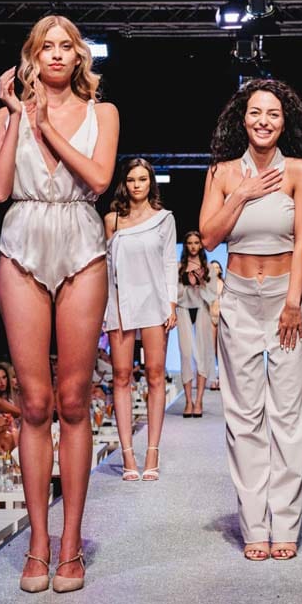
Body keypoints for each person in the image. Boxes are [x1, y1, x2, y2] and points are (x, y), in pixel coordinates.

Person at [0, 14, 119, 592]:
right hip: (22, 242)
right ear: (33, 57)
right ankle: (38, 543)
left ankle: (71, 544)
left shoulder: (103, 114)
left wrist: (46, 126)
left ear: (79, 56)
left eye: (68, 46)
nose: (58, 54)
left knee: (73, 399)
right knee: (35, 403)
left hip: (81, 242)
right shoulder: (7, 115)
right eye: (48, 47)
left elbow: (99, 179)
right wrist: (19, 116)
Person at [199, 77, 302, 561]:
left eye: (273, 113)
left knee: (289, 418)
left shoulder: (298, 170)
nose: (264, 121)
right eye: (256, 112)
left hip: (285, 300)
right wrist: (242, 193)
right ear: (242, 118)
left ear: (284, 120)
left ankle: (286, 524)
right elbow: (209, 237)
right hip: (238, 300)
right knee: (243, 417)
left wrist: (294, 301)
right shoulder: (222, 173)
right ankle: (255, 525)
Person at [104, 157, 177, 481]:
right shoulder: (112, 221)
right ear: (125, 183)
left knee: (155, 375)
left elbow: (169, 262)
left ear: (151, 183)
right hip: (120, 301)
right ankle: (127, 455)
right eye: (131, 179)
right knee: (121, 376)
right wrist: (106, 309)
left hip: (154, 300)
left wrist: (171, 304)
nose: (137, 185)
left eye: (142, 179)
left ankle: (152, 452)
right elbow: (106, 269)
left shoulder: (164, 219)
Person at [175, 231, 218, 418]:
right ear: (185, 245)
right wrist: (187, 283)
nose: (193, 246)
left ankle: (199, 400)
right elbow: (174, 293)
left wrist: (201, 284)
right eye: (190, 243)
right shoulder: (179, 268)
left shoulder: (208, 268)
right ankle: (188, 401)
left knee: (202, 354)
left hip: (202, 310)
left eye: (196, 242)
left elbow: (213, 294)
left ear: (201, 245)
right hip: (183, 309)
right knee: (186, 355)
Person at [208, 259, 225, 390]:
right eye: (213, 267)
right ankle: (212, 379)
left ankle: (221, 379)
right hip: (209, 317)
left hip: (221, 317)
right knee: (211, 349)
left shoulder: (224, 284)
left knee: (220, 350)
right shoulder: (207, 284)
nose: (215, 269)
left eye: (217, 267)